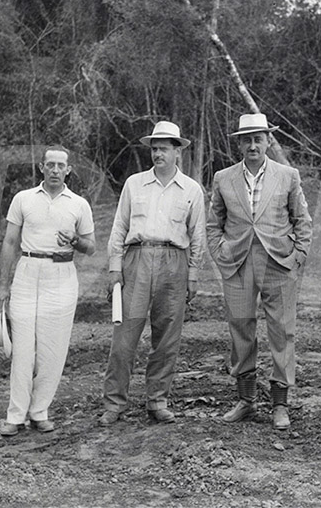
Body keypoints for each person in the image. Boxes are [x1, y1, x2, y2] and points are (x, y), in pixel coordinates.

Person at [207, 113, 312, 431]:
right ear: (239, 143)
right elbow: (214, 223)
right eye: (247, 139)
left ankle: (280, 403)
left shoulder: (287, 175)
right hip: (238, 262)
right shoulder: (223, 178)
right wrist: (220, 253)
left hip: (278, 263)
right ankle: (246, 400)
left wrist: (298, 256)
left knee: (282, 331)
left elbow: (302, 220)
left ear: (268, 140)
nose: (253, 144)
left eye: (258, 138)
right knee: (240, 328)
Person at [99, 121, 206, 426]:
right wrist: (115, 269)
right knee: (124, 338)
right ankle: (115, 402)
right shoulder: (134, 184)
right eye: (154, 148)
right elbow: (119, 227)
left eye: (164, 148)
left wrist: (193, 272)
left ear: (177, 152)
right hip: (137, 259)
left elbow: (197, 234)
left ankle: (157, 400)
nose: (158, 153)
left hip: (175, 261)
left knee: (167, 337)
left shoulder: (191, 190)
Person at [0, 145, 96, 436]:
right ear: (41, 168)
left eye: (60, 165)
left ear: (68, 170)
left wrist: (76, 240)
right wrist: (3, 284)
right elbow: (10, 242)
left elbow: (91, 247)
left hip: (62, 274)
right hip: (27, 271)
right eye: (49, 164)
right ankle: (15, 416)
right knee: (23, 348)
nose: (54, 170)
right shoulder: (23, 199)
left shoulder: (79, 204)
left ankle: (39, 411)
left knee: (53, 349)